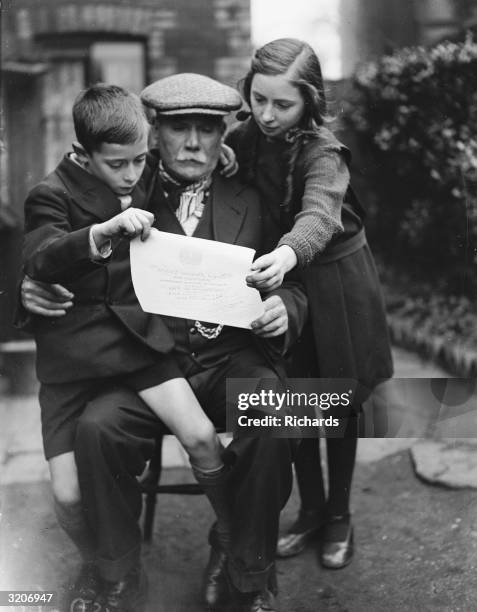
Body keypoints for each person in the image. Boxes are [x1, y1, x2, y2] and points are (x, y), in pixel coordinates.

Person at [19, 73, 308, 612]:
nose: (194, 144)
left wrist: (283, 309)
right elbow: (53, 242)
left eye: (207, 129)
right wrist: (25, 287)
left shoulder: (252, 196)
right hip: (147, 362)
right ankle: (119, 572)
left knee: (278, 414)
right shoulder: (125, 185)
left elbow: (292, 282)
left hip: (230, 359)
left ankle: (245, 570)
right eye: (180, 130)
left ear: (224, 134)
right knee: (96, 429)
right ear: (155, 133)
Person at [225, 38, 394, 568]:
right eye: (258, 100)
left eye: (283, 104)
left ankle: (340, 515)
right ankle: (311, 511)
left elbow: (319, 213)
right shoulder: (244, 137)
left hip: (337, 280)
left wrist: (287, 252)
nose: (268, 115)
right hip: (286, 286)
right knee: (295, 400)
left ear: (309, 101)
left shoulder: (325, 150)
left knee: (339, 403)